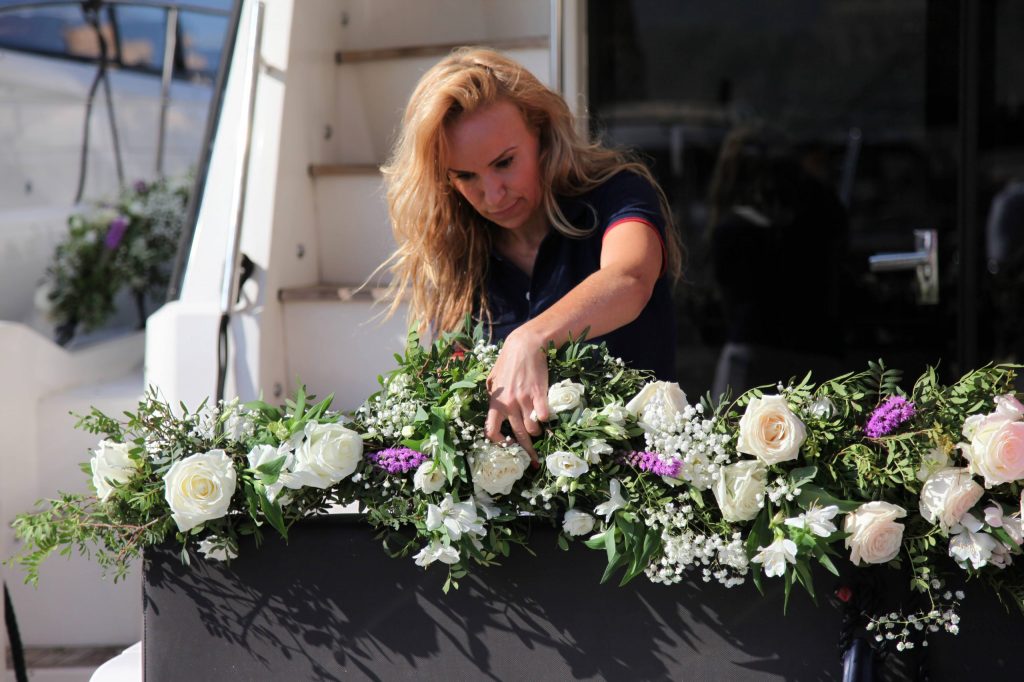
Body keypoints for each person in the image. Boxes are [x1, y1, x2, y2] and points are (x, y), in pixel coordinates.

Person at [380, 47, 680, 463]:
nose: (492, 194)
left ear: (540, 129)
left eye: (504, 162)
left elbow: (630, 279)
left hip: (639, 493)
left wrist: (529, 338)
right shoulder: (457, 256)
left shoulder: (617, 194)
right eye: (465, 176)